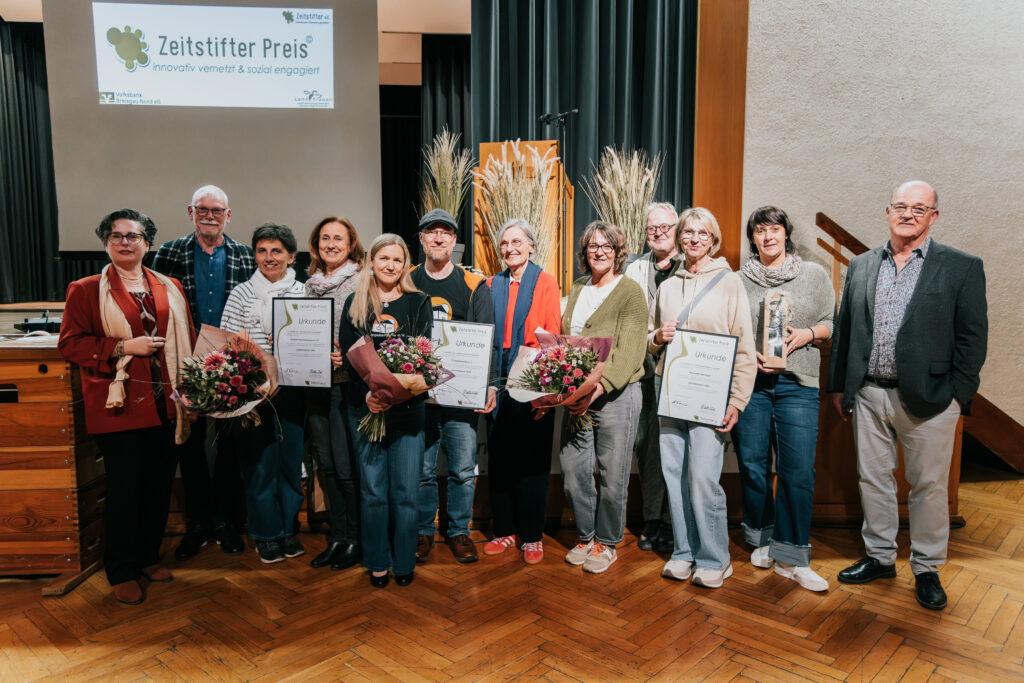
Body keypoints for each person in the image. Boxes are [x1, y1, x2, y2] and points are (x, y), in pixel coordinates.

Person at [828, 181, 987, 610]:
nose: (909, 214)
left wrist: (958, 395)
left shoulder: (961, 267)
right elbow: (845, 330)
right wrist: (841, 386)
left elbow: (973, 340)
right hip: (868, 393)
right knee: (873, 480)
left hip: (932, 399)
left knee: (929, 487)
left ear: (934, 216)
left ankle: (927, 568)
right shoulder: (862, 265)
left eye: (920, 208)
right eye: (901, 206)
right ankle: (880, 557)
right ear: (887, 212)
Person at [58, 209, 195, 604]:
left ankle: (147, 557)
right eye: (116, 236)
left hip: (165, 403)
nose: (124, 242)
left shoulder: (169, 285)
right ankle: (120, 568)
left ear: (146, 243)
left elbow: (184, 337)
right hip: (118, 406)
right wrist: (122, 346)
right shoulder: (85, 289)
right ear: (105, 242)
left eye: (133, 236)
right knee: (125, 488)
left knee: (156, 486)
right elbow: (69, 344)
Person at [649, 207, 756, 588]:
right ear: (679, 238)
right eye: (688, 232)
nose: (694, 239)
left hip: (711, 394)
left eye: (702, 233)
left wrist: (737, 400)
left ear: (713, 239)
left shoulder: (730, 283)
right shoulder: (667, 286)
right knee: (674, 474)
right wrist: (656, 337)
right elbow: (651, 338)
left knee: (703, 477)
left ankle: (714, 557)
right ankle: (683, 552)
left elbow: (744, 346)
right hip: (670, 389)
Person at [732, 206, 835, 592]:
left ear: (785, 234)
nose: (768, 236)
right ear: (753, 238)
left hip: (798, 382)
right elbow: (730, 327)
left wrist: (803, 336)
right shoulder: (738, 280)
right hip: (753, 384)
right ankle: (760, 536)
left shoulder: (813, 274)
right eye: (760, 231)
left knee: (797, 470)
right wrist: (749, 354)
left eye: (774, 229)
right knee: (754, 465)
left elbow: (831, 322)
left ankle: (793, 555)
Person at [151, 185, 254, 561]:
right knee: (190, 447)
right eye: (202, 209)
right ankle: (197, 524)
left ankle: (227, 522)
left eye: (217, 210)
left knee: (229, 448)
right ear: (190, 212)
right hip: (183, 361)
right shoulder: (168, 253)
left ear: (229, 215)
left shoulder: (245, 255)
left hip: (232, 363)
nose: (210, 215)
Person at [339, 233, 432, 588]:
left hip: (407, 412)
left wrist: (397, 393)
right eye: (384, 259)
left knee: (406, 493)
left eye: (397, 260)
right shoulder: (354, 303)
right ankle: (378, 560)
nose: (390, 265)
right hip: (364, 410)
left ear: (405, 265)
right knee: (373, 492)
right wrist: (368, 395)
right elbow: (350, 356)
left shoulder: (418, 302)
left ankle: (404, 561)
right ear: (371, 263)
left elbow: (424, 357)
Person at [560, 221, 647, 574]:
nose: (599, 251)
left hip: (616, 394)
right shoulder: (579, 287)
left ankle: (607, 542)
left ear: (617, 252)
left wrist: (598, 386)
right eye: (593, 246)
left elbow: (630, 351)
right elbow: (568, 338)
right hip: (576, 395)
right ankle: (586, 535)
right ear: (585, 252)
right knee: (573, 470)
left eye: (606, 246)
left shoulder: (631, 292)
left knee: (613, 474)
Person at [411, 209, 497, 565]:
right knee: (422, 469)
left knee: (463, 468)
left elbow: (486, 339)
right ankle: (422, 530)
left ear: (454, 241)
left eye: (445, 232)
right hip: (419, 393)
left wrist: (489, 385)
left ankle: (459, 530)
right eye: (431, 232)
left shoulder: (473, 284)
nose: (438, 238)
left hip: (461, 394)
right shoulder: (408, 280)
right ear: (421, 239)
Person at [219, 223, 307, 564]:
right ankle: (266, 535)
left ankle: (287, 531)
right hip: (253, 394)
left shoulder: (304, 293)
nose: (269, 258)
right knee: (258, 467)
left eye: (277, 251)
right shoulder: (241, 293)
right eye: (262, 250)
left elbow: (312, 340)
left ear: (291, 256)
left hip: (293, 393)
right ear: (254, 254)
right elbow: (227, 342)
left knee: (288, 466)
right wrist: (256, 380)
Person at [483, 219, 562, 564]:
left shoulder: (546, 282)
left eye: (517, 242)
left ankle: (531, 535)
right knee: (500, 460)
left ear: (531, 245)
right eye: (504, 243)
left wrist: (545, 393)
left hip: (532, 379)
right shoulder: (490, 284)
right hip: (498, 381)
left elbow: (552, 337)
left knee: (533, 460)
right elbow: (485, 335)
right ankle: (504, 530)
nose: (510, 248)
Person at [304, 217, 364, 571]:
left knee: (345, 469)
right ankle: (338, 538)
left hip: (345, 388)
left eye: (337, 238)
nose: (330, 244)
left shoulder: (360, 281)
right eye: (324, 238)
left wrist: (349, 354)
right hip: (314, 386)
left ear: (350, 243)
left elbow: (370, 331)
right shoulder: (309, 286)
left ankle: (355, 539)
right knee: (326, 466)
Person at [624, 202, 680, 553]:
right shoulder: (634, 268)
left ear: (677, 227)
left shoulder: (692, 265)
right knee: (648, 449)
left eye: (665, 227)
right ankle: (653, 518)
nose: (658, 233)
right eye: (651, 229)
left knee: (677, 448)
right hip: (644, 371)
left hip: (681, 373)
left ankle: (675, 521)